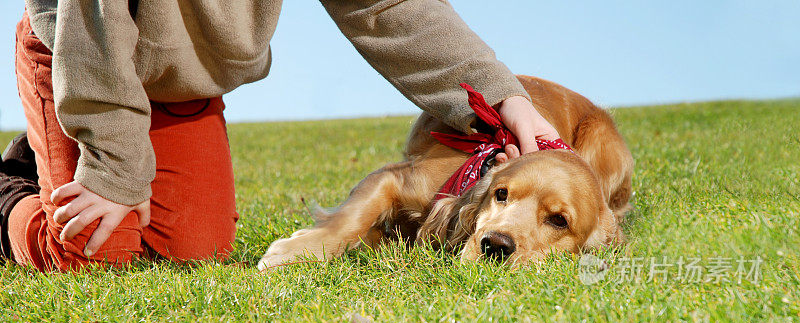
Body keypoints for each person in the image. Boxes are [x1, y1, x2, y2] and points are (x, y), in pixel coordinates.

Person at [0, 0, 559, 271]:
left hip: (177, 82)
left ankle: (45, 151)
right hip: (80, 52)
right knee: (96, 252)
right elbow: (94, 20)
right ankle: (12, 195)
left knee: (198, 250)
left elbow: (382, 5)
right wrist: (115, 166)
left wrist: (500, 96)